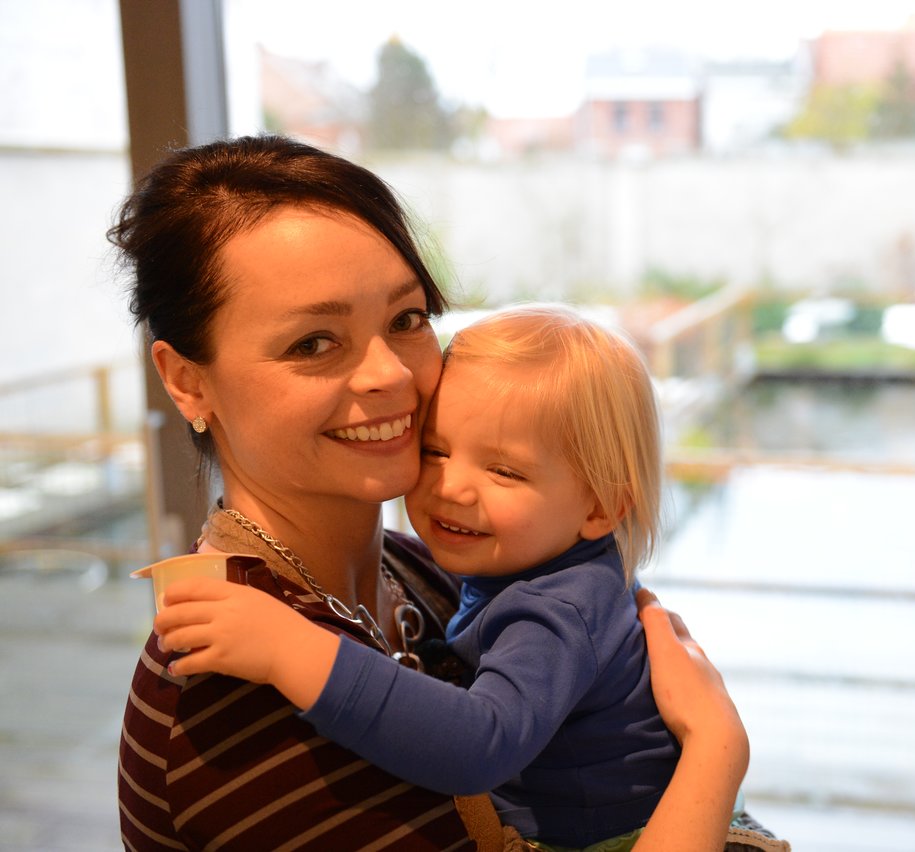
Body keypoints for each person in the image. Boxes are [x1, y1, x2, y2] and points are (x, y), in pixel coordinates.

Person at [112, 134, 752, 851]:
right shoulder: (230, 686)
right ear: (187, 381)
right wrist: (715, 752)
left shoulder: (426, 569)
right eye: (313, 342)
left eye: (406, 320)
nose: (387, 373)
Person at [153, 304, 787, 851]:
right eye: (435, 450)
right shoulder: (521, 562)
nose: (452, 487)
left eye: (505, 472)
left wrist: (289, 647)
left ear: (601, 507)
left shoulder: (555, 608)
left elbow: (478, 745)